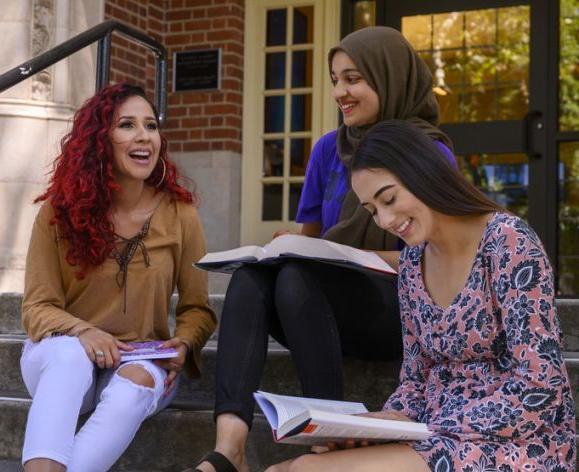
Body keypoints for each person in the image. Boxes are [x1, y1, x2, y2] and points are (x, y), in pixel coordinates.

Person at [190, 27, 456, 472]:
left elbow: (441, 255)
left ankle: (328, 443)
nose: (340, 92)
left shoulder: (427, 152)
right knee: (254, 277)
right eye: (335, 80)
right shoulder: (328, 150)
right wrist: (286, 246)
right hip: (320, 305)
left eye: (353, 79)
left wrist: (354, 259)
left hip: (399, 310)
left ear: (388, 77)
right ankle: (229, 446)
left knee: (298, 277)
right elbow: (311, 235)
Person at [265, 120, 576, 471]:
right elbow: (415, 381)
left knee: (306, 471)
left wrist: (427, 428)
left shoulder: (509, 243)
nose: (383, 219)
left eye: (389, 198)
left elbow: (541, 384)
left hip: (519, 442)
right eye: (372, 210)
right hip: (436, 435)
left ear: (422, 173)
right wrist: (380, 424)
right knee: (286, 468)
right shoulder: (413, 263)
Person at [20, 83, 216, 472]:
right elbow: (36, 307)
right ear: (99, 141)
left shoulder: (181, 214)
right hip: (61, 362)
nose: (144, 136)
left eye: (151, 125)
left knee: (135, 384)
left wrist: (184, 343)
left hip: (138, 361)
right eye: (127, 125)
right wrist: (83, 332)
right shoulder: (58, 214)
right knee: (69, 355)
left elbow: (198, 308)